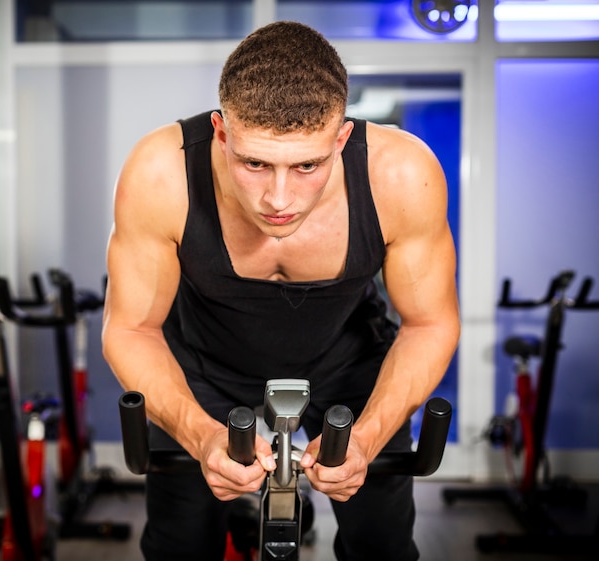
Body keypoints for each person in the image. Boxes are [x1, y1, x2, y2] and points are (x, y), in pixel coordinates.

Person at [102, 20, 460, 561]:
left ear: (342, 138)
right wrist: (200, 435)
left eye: (308, 165)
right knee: (179, 544)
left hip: (349, 367)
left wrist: (367, 436)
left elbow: (430, 323)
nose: (278, 197)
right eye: (254, 163)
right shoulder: (162, 173)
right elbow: (130, 328)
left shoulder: (403, 175)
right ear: (222, 133)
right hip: (203, 369)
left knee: (382, 545)